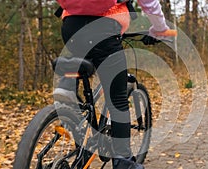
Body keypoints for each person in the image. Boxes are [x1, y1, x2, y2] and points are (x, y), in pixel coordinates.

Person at [53, 0, 176, 168]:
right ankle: (123, 161)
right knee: (117, 99)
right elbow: (149, 2)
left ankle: (67, 84)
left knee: (81, 66)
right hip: (104, 29)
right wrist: (159, 29)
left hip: (71, 28)